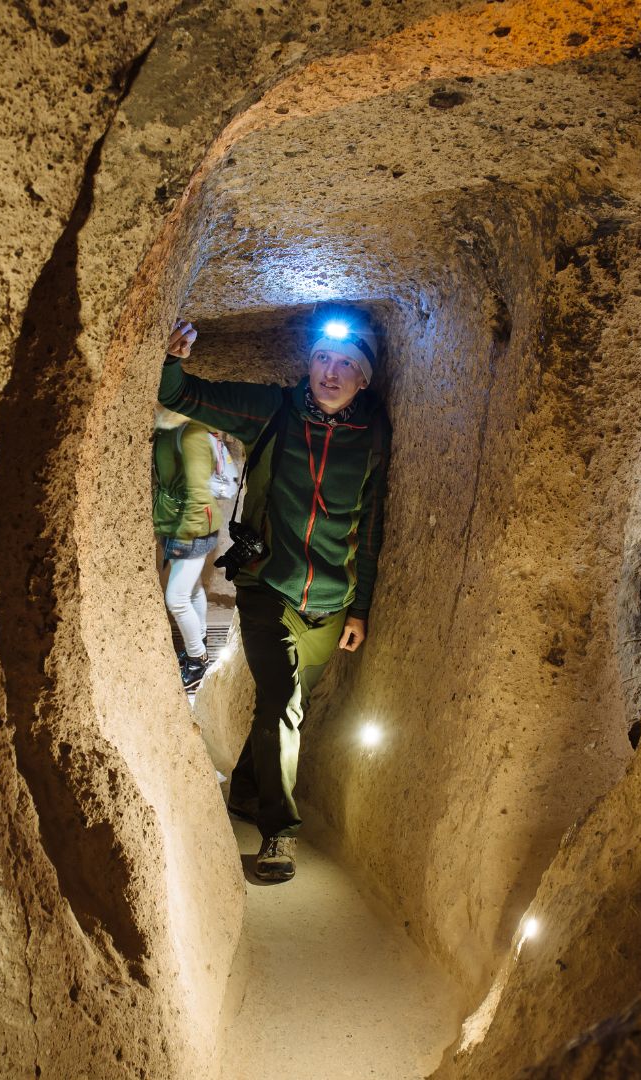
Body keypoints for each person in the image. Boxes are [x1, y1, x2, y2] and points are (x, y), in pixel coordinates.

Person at [158, 309, 391, 883]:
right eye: (321, 359)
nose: (329, 373)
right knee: (284, 702)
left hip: (331, 603)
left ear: (364, 378)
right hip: (268, 587)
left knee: (286, 708)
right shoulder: (273, 411)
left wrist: (357, 607)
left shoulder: (371, 435)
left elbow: (372, 522)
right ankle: (278, 835)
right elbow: (181, 394)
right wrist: (173, 358)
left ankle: (243, 790)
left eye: (345, 365)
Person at [153, 407, 226, 688]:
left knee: (176, 598)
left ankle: (197, 661)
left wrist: (184, 537)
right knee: (192, 588)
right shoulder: (168, 429)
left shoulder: (192, 432)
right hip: (177, 523)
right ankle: (200, 642)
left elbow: (198, 493)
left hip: (193, 527)